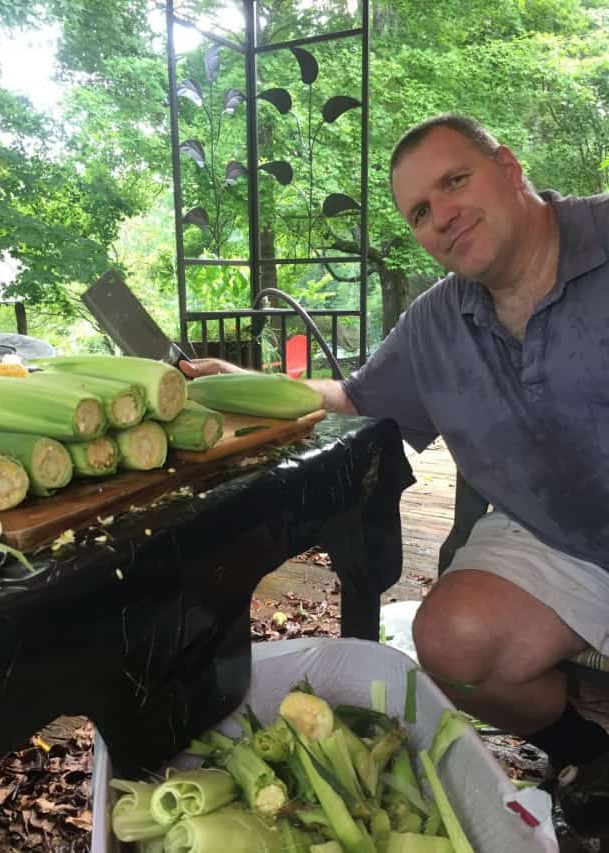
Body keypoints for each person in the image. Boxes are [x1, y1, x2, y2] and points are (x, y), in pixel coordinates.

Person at [180, 114, 609, 786]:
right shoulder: (437, 321)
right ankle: (588, 751)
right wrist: (244, 384)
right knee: (451, 642)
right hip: (554, 536)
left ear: (509, 166)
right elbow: (356, 398)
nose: (443, 216)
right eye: (420, 211)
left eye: (455, 180)